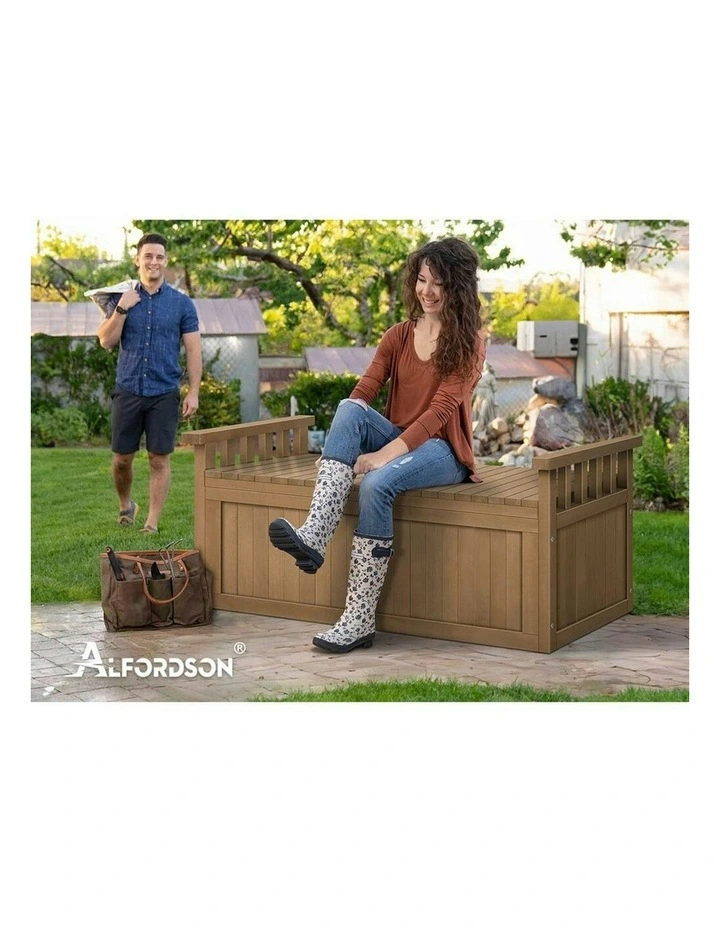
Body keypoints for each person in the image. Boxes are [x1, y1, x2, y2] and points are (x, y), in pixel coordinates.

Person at [269, 236, 486, 653]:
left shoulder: (469, 344)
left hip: (443, 451)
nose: (426, 291)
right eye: (421, 280)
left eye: (437, 282)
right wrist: (341, 449)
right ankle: (315, 536)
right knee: (348, 407)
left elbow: (439, 414)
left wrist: (379, 458)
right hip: (401, 441)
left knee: (376, 484)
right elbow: (365, 389)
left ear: (457, 286)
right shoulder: (399, 335)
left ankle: (358, 620)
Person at [97, 232, 202, 534]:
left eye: (159, 257)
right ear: (138, 261)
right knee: (121, 460)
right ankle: (126, 504)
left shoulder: (182, 305)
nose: (154, 262)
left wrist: (193, 392)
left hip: (164, 393)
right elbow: (105, 341)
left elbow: (194, 350)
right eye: (148, 256)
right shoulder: (122, 298)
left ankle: (151, 523)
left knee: (159, 459)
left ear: (165, 262)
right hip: (128, 389)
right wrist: (122, 307)